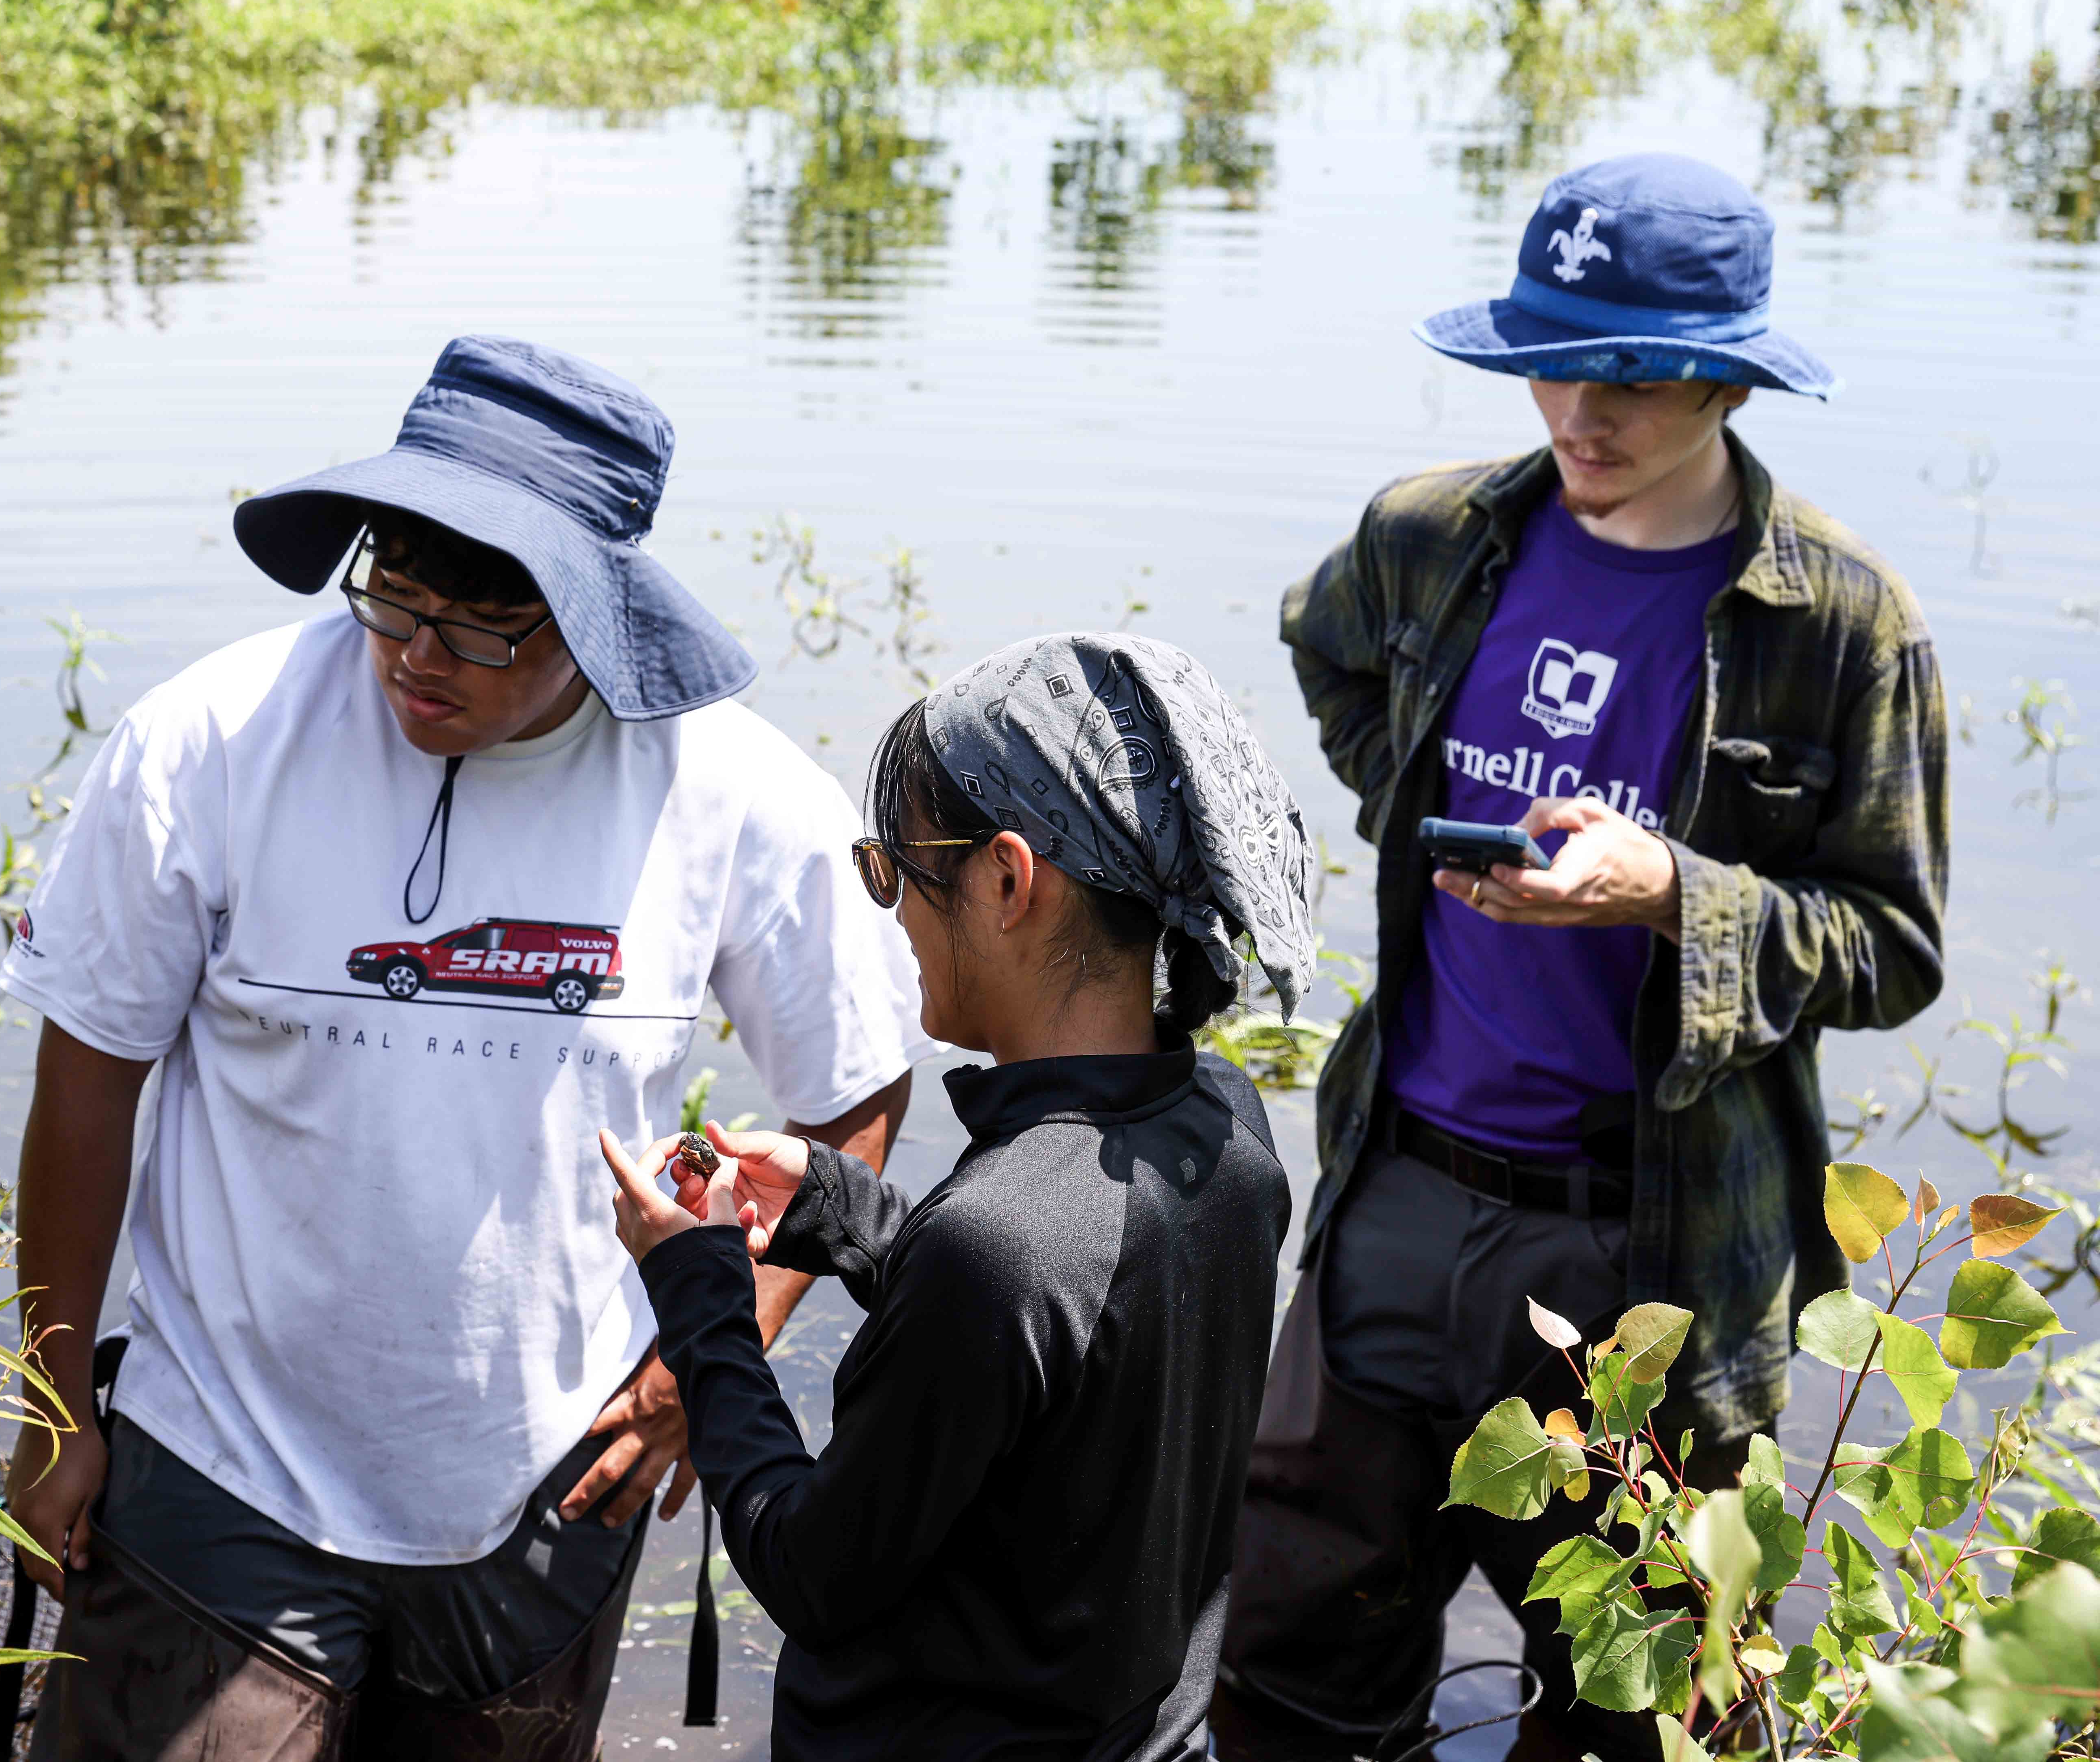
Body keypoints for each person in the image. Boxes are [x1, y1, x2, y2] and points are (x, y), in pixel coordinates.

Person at [0, 335, 920, 1759]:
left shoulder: (732, 791)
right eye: (395, 600)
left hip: (551, 1478)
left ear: (595, 619)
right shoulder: (210, 741)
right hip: (220, 1458)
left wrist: (711, 1354)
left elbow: (852, 1089)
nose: (418, 659)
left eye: (484, 629)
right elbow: (87, 1083)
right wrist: (56, 1409)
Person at [1216, 155, 1951, 1762]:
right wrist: (1410, 790)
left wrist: (1672, 894)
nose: (1579, 412)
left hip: (1648, 1253)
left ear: (1727, 379)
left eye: (1631, 377)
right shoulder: (1431, 537)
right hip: (1392, 1199)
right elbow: (1323, 643)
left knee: (1640, 1712)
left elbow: (1891, 946)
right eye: (1550, 361)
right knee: (1288, 1676)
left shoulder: (1839, 624)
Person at [605, 633, 1307, 1762]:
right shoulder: (1223, 1125)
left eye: (899, 870)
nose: (893, 912)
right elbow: (1069, 1332)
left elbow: (810, 1571)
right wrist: (839, 1209)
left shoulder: (1003, 1237)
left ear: (1008, 881)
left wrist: (701, 1300)